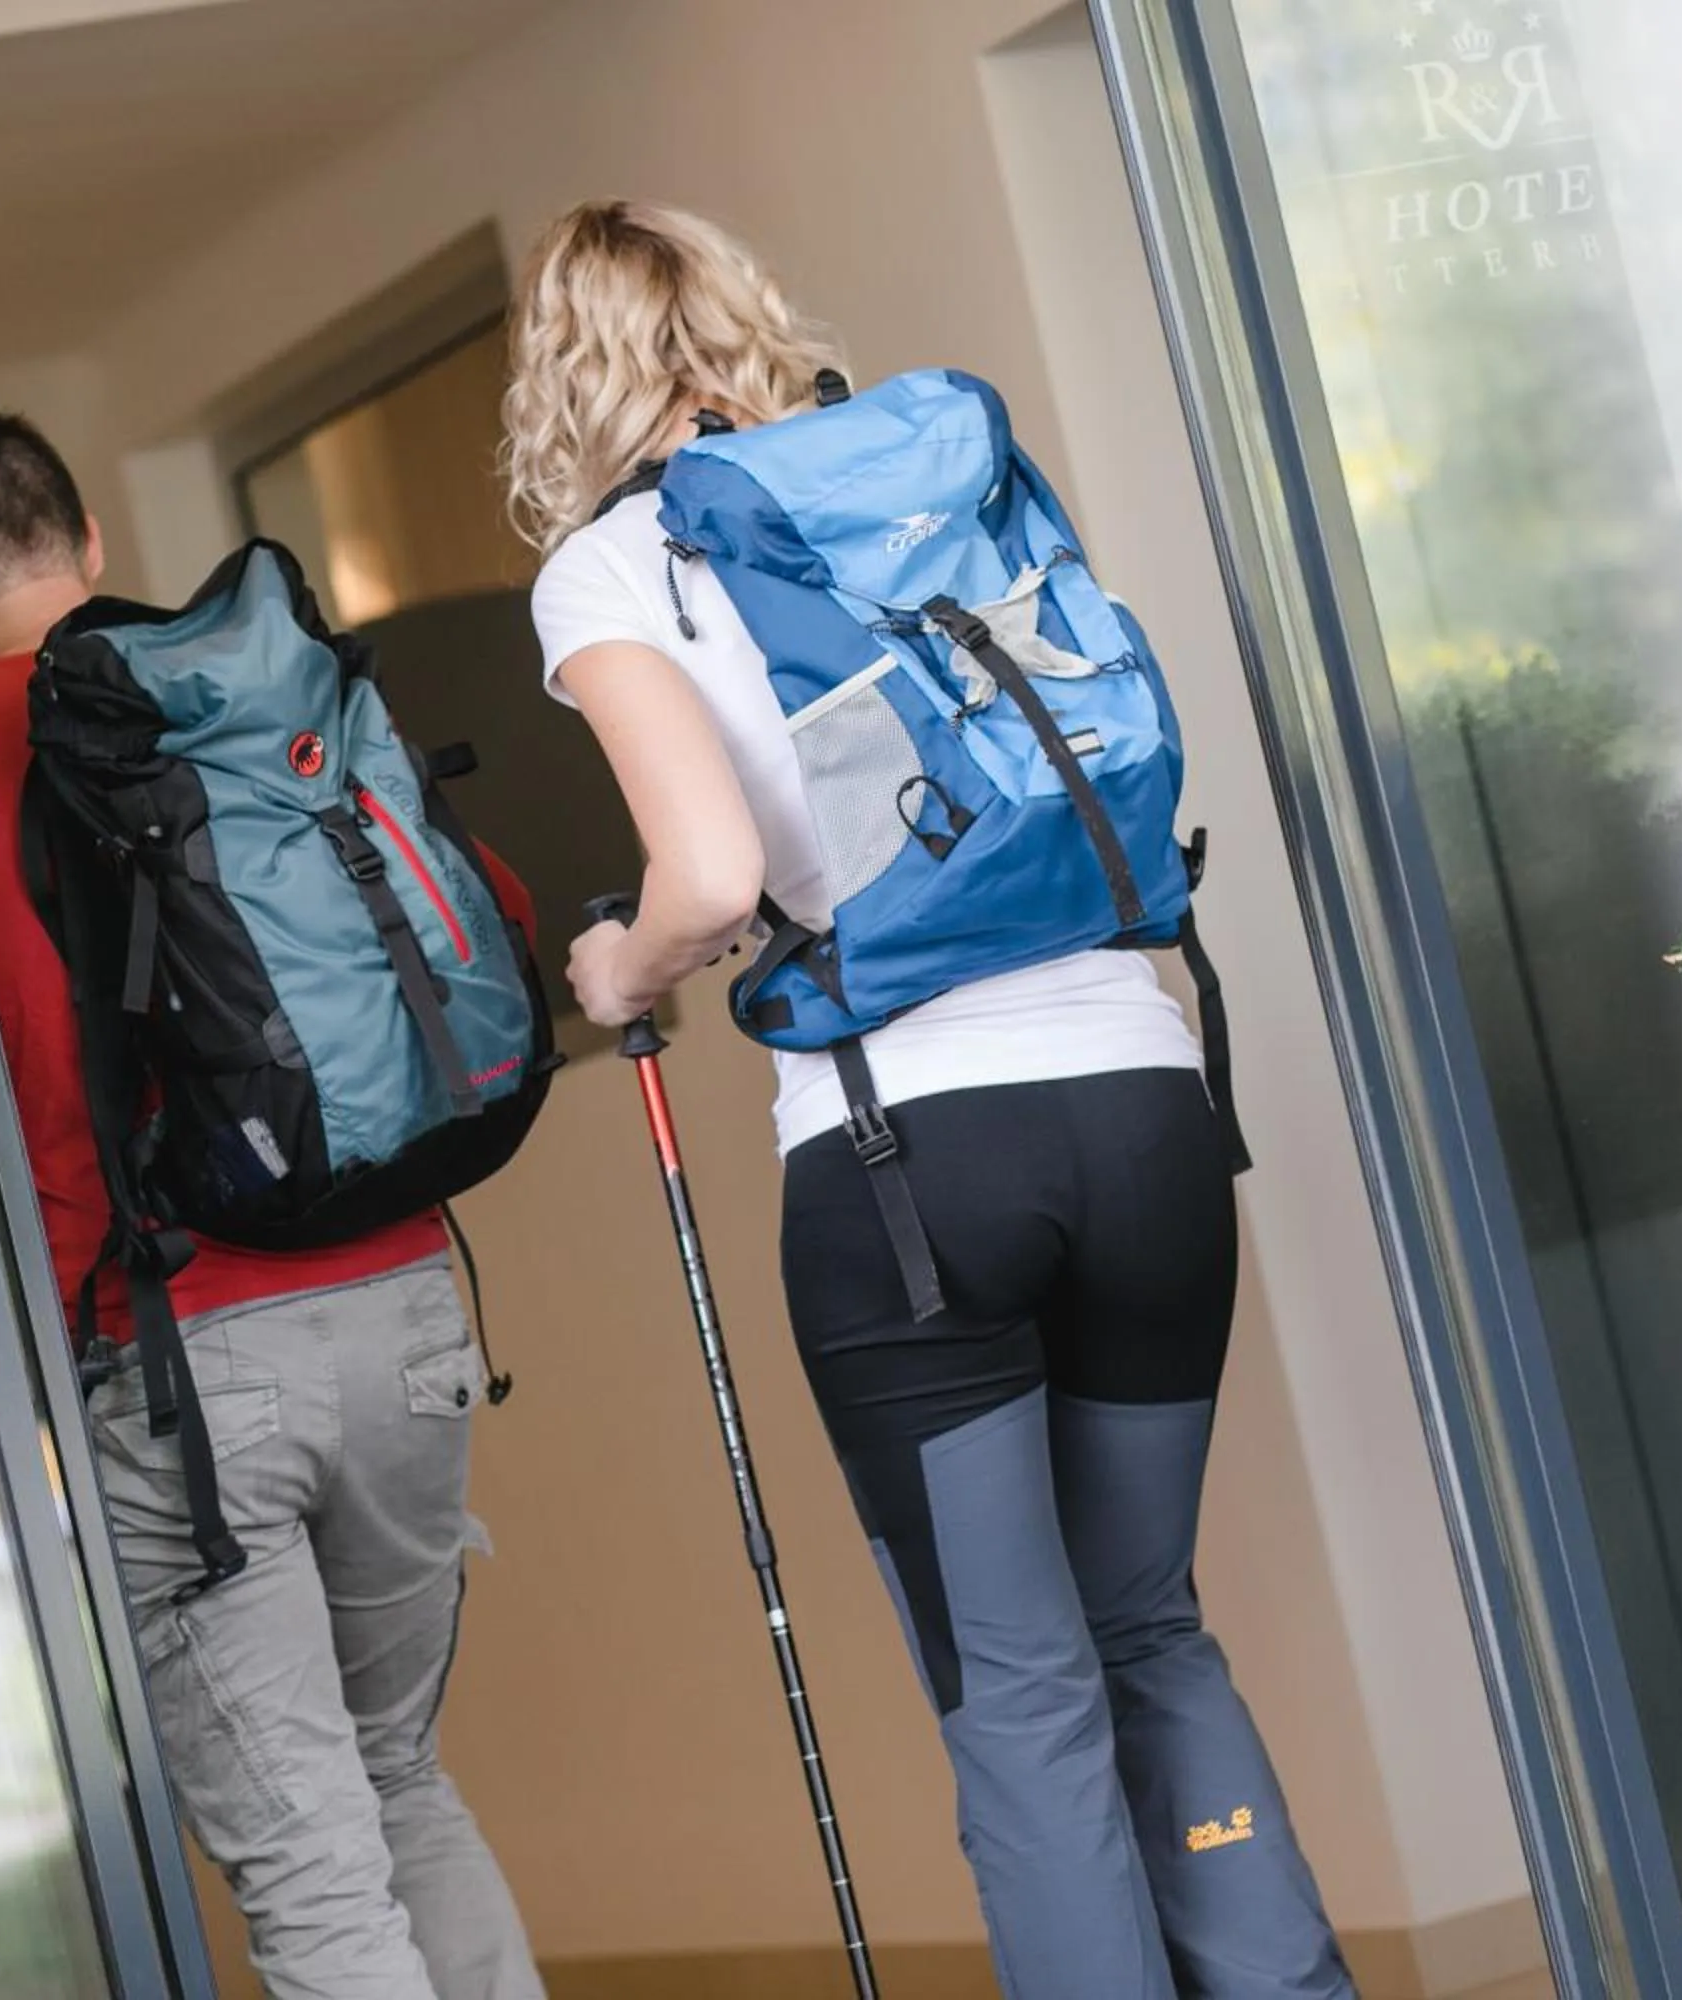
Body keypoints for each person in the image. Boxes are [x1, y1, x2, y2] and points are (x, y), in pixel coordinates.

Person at [502, 201, 1356, 2000]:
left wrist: (615, 973)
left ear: (562, 376)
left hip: (911, 1168)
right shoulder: (926, 490)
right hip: (1142, 1098)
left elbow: (716, 877)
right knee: (1149, 1628)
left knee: (1022, 1696)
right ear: (744, 315)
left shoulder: (616, 569)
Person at [0, 412, 546, 2000]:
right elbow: (489, 918)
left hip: (183, 1367)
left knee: (312, 1873)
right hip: (403, 1310)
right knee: (396, 1784)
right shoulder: (238, 689)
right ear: (92, 544)